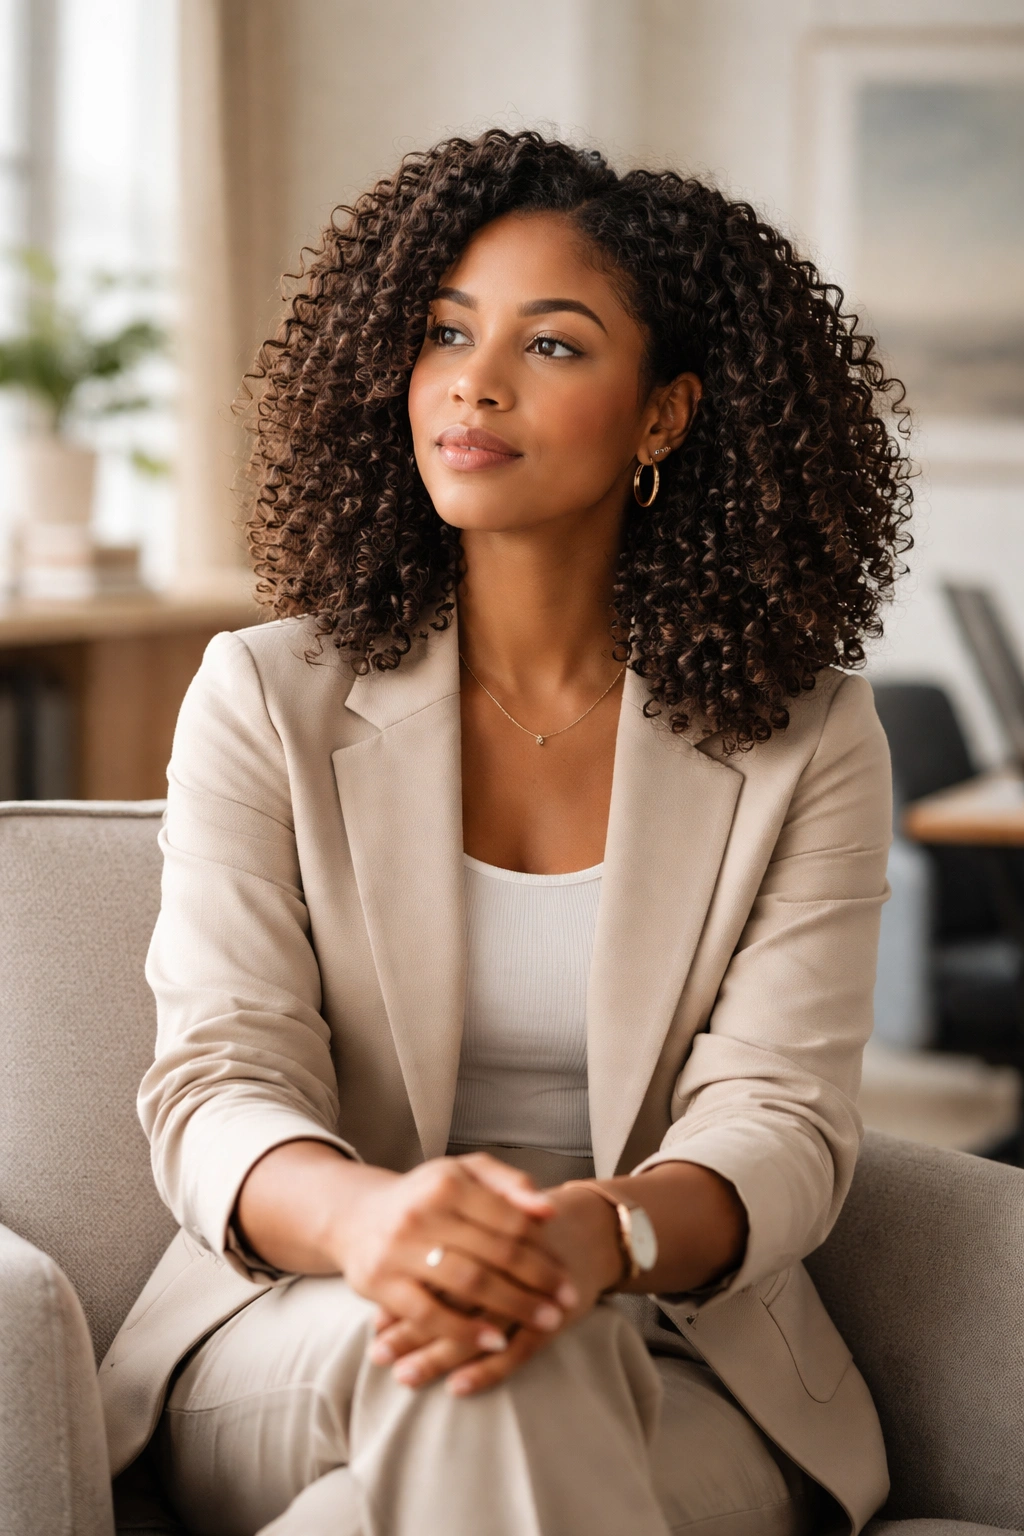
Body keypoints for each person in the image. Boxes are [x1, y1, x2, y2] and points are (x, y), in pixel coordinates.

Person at [99, 130, 911, 1536]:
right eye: (443, 333)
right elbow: (215, 1084)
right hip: (312, 1328)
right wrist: (379, 1225)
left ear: (665, 415)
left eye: (553, 345)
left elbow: (780, 1118)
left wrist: (601, 1238)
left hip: (673, 1354)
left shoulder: (807, 739)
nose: (473, 381)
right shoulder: (266, 697)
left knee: (508, 1386)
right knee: (490, 1368)